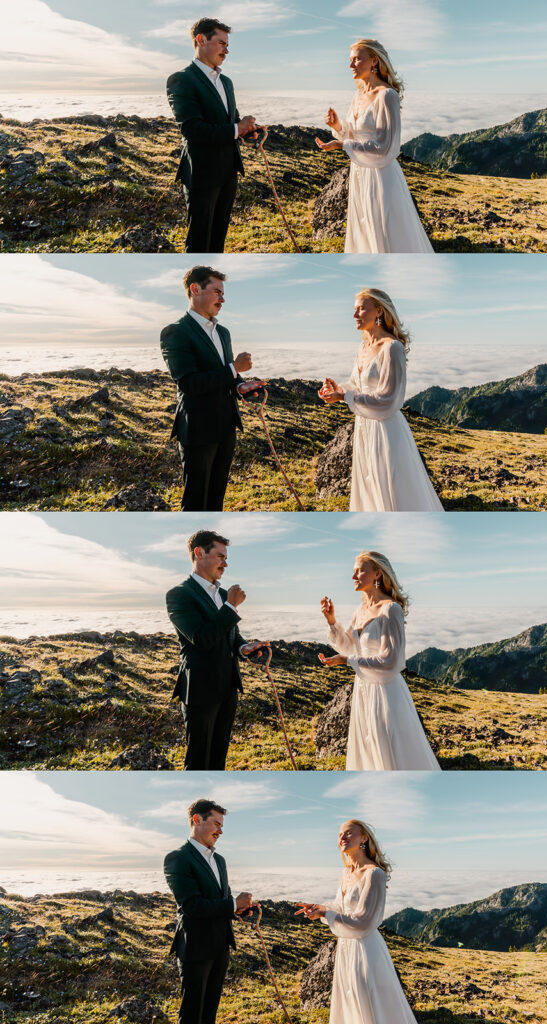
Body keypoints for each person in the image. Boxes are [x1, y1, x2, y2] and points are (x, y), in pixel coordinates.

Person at [318, 288, 443, 511]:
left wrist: (344, 396)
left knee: (392, 488)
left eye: (360, 309)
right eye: (354, 310)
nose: (355, 315)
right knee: (369, 486)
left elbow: (389, 398)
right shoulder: (362, 348)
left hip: (386, 431)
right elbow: (357, 385)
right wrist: (338, 389)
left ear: (378, 311)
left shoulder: (392, 348)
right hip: (364, 427)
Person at [319, 550, 440, 771]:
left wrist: (348, 661)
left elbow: (392, 661)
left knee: (389, 750)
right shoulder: (361, 610)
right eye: (353, 571)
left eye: (359, 571)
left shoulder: (391, 609)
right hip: (363, 690)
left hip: (386, 694)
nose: (353, 576)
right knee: (367, 750)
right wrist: (331, 621)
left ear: (377, 573)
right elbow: (348, 645)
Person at [161, 265, 265, 511]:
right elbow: (188, 383)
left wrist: (241, 385)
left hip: (227, 426)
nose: (222, 298)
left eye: (223, 292)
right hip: (197, 429)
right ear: (195, 289)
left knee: (217, 499)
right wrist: (234, 369)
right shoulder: (175, 332)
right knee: (196, 501)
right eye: (216, 291)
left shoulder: (223, 333)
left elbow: (227, 376)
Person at [316, 38, 433, 253]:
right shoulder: (357, 95)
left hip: (382, 177)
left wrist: (343, 145)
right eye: (350, 60)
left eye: (357, 59)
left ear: (374, 61)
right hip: (360, 173)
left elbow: (386, 146)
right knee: (364, 229)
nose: (351, 66)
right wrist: (338, 125)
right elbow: (354, 132)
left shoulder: (387, 96)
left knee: (385, 231)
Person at [296, 820, 419, 1024]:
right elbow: (340, 906)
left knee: (370, 1004)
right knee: (350, 1003)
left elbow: (363, 921)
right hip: (346, 948)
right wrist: (319, 909)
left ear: (364, 838)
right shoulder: (345, 873)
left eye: (348, 833)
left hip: (366, 951)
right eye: (339, 834)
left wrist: (326, 914)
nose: (342, 837)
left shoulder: (374, 874)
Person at [165, 529, 269, 770]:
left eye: (226, 557)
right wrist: (231, 606)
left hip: (228, 687)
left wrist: (244, 647)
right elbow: (200, 639)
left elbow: (230, 635)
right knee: (199, 760)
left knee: (219, 757)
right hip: (200, 690)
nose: (225, 563)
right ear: (199, 553)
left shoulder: (222, 594)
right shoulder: (179, 595)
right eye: (220, 556)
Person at [166, 17, 260, 252]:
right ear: (201, 40)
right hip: (201, 174)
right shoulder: (181, 79)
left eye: (227, 45)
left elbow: (232, 122)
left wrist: (249, 132)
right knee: (199, 241)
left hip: (229, 171)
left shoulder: (226, 82)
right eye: (221, 43)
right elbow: (192, 129)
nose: (226, 51)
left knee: (218, 240)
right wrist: (237, 129)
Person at [164, 798, 254, 1024]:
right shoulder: (178, 858)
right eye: (216, 824)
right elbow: (191, 906)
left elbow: (222, 900)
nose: (220, 831)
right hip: (195, 948)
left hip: (221, 946)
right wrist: (233, 904)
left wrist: (241, 909)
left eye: (222, 826)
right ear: (197, 820)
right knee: (192, 1013)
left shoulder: (220, 860)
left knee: (210, 1010)